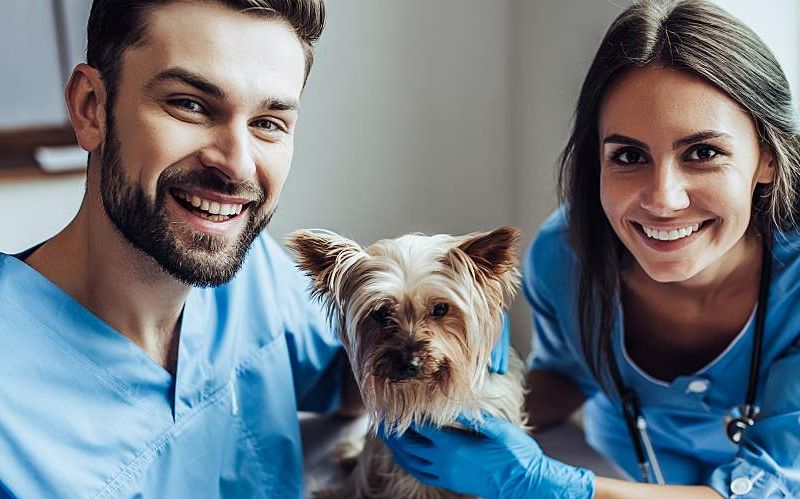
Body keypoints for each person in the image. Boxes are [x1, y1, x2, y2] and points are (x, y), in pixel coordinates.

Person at [382, 1, 800, 498]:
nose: (664, 199)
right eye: (628, 155)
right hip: (616, 467)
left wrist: (549, 485)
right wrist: (471, 394)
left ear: (768, 159)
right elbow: (567, 376)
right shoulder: (564, 256)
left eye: (703, 153)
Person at [0, 1, 368, 497]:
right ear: (91, 108)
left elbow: (358, 377)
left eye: (269, 122)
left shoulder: (253, 277)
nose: (237, 165)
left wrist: (453, 326)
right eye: (190, 105)